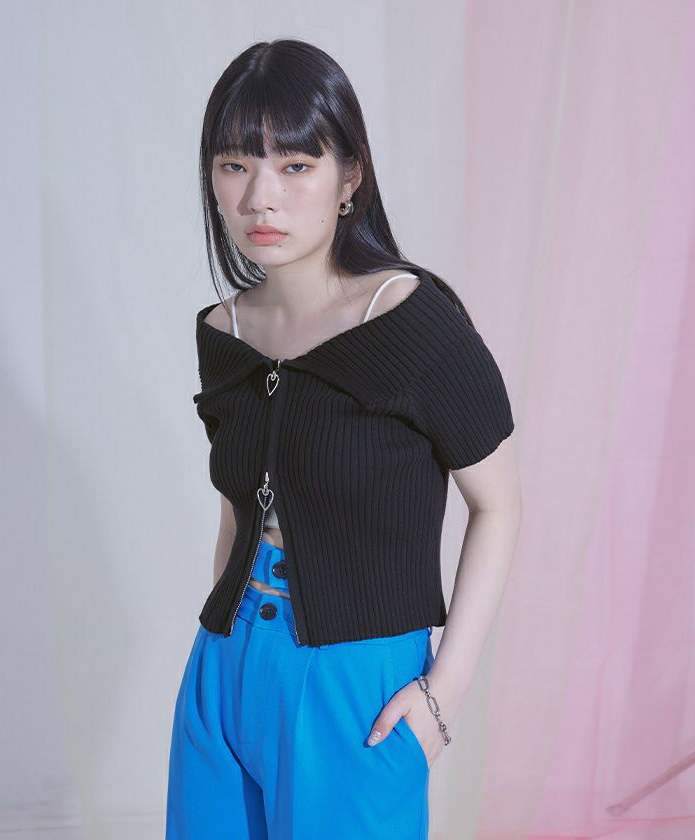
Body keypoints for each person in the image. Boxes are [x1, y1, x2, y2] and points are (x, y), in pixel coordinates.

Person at [165, 38, 522, 840]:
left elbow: (499, 506)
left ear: (349, 175)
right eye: (234, 165)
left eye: (295, 165)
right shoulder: (223, 332)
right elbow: (236, 511)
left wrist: (446, 691)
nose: (261, 197)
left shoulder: (414, 321)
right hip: (223, 670)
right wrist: (221, 650)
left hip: (357, 688)